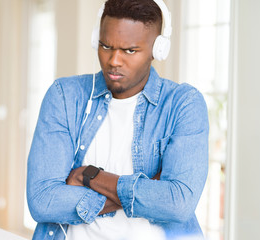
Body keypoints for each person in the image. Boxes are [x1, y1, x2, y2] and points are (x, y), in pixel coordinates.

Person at [27, 0, 209, 239]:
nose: (114, 60)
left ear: (157, 50)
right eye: (105, 46)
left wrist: (90, 176)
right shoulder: (64, 96)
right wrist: (148, 190)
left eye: (130, 50)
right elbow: (43, 201)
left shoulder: (183, 104)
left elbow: (178, 204)